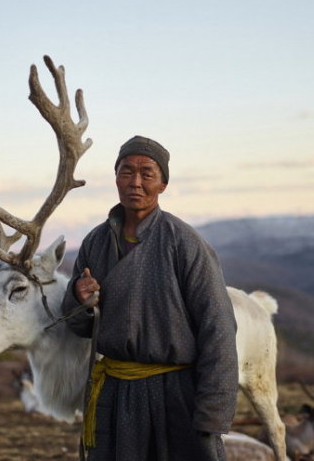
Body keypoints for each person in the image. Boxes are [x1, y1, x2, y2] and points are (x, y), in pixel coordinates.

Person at [61, 135, 238, 461]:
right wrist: (78, 299)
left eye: (147, 174)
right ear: (116, 179)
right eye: (127, 172)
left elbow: (219, 328)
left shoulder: (184, 242)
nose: (136, 183)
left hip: (175, 394)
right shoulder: (95, 243)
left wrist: (213, 410)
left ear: (163, 184)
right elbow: (79, 326)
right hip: (114, 392)